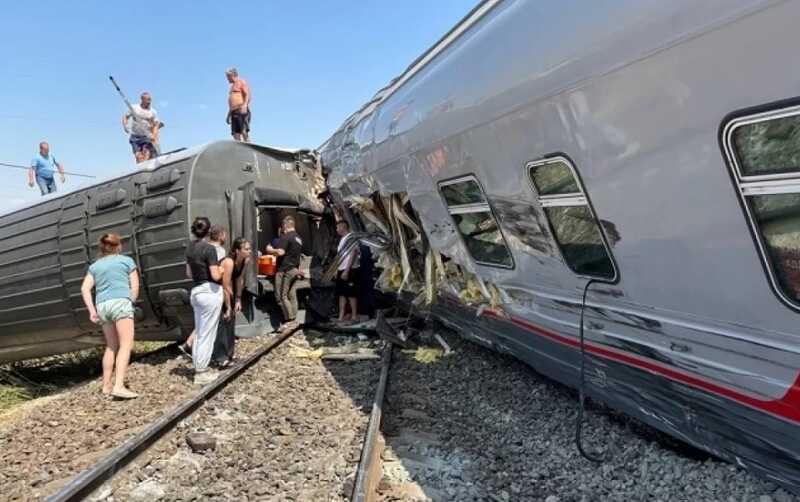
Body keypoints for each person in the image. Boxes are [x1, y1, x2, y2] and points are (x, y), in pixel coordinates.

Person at [80, 233, 140, 399]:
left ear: (102, 248)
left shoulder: (95, 266)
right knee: (126, 344)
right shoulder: (126, 261)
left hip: (102, 306)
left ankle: (106, 386)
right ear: (118, 246)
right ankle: (119, 386)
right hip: (120, 302)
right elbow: (134, 286)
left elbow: (85, 288)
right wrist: (130, 302)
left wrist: (92, 310)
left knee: (111, 345)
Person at [185, 217, 224, 385]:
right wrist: (222, 269)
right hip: (210, 292)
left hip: (196, 292)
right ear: (209, 232)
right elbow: (215, 275)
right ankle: (201, 372)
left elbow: (189, 274)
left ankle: (198, 367)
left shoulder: (190, 248)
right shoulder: (209, 249)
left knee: (200, 332)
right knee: (207, 333)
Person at [212, 238, 252, 367]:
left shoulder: (245, 260)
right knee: (224, 321)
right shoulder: (228, 262)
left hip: (227, 290)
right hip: (216, 290)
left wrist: (238, 299)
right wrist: (229, 306)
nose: (249, 251)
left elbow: (240, 279)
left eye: (249, 248)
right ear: (237, 250)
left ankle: (229, 355)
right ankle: (220, 358)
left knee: (231, 321)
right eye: (246, 249)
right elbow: (225, 285)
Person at [265, 216, 303, 331]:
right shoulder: (298, 238)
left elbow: (280, 252)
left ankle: (289, 321)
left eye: (283, 227)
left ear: (285, 226)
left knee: (281, 296)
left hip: (285, 270)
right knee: (292, 294)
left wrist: (269, 250)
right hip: (295, 269)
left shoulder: (286, 237)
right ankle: (294, 319)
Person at [122, 92, 160, 163]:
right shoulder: (134, 108)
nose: (149, 102)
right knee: (139, 158)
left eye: (150, 100)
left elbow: (156, 124)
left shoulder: (153, 112)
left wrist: (154, 136)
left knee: (146, 156)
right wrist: (125, 126)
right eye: (147, 100)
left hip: (146, 137)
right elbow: (125, 117)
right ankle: (140, 168)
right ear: (142, 99)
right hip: (135, 137)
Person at [335, 220, 360, 322]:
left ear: (342, 227)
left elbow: (353, 254)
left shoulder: (351, 237)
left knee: (351, 294)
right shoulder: (342, 239)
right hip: (342, 269)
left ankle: (354, 316)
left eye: (337, 227)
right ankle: (341, 316)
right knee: (342, 294)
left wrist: (347, 270)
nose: (336, 230)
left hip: (350, 270)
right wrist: (337, 270)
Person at [225, 68, 251, 142]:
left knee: (244, 132)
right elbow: (232, 103)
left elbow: (247, 94)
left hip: (241, 110)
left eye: (228, 76)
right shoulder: (232, 86)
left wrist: (245, 105)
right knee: (235, 135)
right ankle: (240, 151)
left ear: (232, 75)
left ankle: (249, 150)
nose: (227, 79)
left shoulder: (241, 82)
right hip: (233, 112)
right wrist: (228, 115)